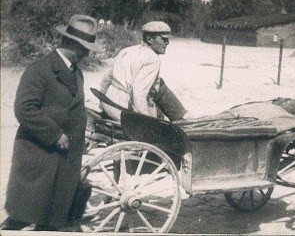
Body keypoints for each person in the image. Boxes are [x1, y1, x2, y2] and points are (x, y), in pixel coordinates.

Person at [3, 15, 98, 231]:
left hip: (64, 159)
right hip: (40, 155)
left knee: (53, 219)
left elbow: (75, 107)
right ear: (74, 45)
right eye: (86, 48)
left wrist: (86, 129)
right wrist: (54, 135)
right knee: (23, 216)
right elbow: (24, 109)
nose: (88, 53)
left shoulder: (76, 72)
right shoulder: (39, 70)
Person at [99, 21, 188, 121]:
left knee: (159, 83)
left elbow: (107, 79)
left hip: (109, 105)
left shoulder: (127, 50)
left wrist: (102, 103)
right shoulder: (153, 59)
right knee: (158, 88)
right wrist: (146, 123)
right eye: (164, 39)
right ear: (149, 39)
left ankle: (179, 116)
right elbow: (138, 94)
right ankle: (180, 118)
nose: (167, 43)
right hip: (124, 113)